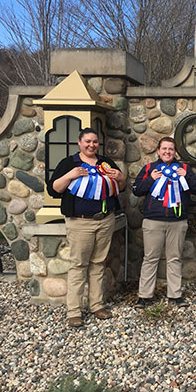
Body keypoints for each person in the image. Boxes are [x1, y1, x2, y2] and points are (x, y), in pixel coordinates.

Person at [47, 128, 126, 328]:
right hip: (80, 222)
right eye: (88, 142)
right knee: (78, 266)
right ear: (79, 142)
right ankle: (74, 311)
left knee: (99, 263)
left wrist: (120, 176)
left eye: (95, 142)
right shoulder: (69, 163)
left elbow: (122, 186)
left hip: (105, 219)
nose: (91, 145)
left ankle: (96, 305)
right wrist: (70, 175)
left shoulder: (105, 163)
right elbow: (54, 188)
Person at [132, 137, 196, 308]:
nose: (167, 152)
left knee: (174, 258)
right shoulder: (150, 168)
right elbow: (136, 190)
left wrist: (187, 177)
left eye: (170, 149)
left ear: (175, 152)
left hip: (177, 221)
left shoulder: (184, 168)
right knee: (150, 258)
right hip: (153, 221)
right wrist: (151, 180)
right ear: (158, 151)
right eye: (164, 149)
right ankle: (144, 296)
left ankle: (175, 295)